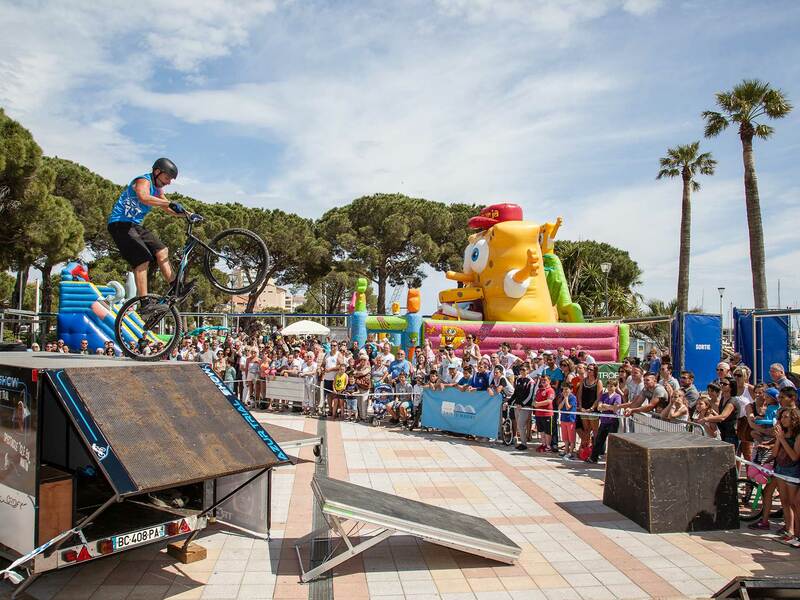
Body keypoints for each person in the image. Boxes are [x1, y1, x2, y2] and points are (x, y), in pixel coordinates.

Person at [107, 159, 187, 308]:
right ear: (157, 172)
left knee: (162, 250)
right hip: (119, 224)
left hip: (134, 225)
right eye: (167, 178)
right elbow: (143, 197)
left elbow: (169, 209)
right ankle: (144, 302)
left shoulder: (157, 190)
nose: (168, 182)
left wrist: (189, 214)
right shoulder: (143, 180)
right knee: (142, 259)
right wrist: (167, 203)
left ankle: (176, 287)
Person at [772, 407, 800, 547]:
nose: (783, 419)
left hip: (793, 472)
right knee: (785, 502)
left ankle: (797, 533)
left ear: (794, 419)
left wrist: (782, 439)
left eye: (786, 417)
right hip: (780, 470)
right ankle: (789, 531)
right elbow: (775, 453)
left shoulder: (797, 435)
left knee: (795, 503)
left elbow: (795, 456)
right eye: (782, 417)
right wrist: (779, 439)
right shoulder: (781, 434)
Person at [587, 379, 622, 464]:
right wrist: (608, 407)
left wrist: (605, 406)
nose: (609, 388)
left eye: (612, 386)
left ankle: (611, 460)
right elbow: (599, 407)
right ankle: (593, 458)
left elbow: (615, 408)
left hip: (613, 422)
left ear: (615, 387)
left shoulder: (617, 396)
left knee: (612, 442)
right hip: (604, 421)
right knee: (599, 440)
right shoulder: (604, 395)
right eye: (608, 386)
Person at [510, 364, 535, 450]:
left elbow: (530, 395)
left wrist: (522, 404)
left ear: (528, 371)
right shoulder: (518, 379)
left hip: (525, 406)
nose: (522, 371)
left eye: (524, 370)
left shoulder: (530, 381)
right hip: (517, 406)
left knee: (521, 424)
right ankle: (522, 442)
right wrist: (510, 401)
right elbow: (515, 393)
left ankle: (524, 443)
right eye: (521, 370)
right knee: (519, 425)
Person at [533, 374, 555, 453]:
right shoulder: (539, 390)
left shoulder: (551, 390)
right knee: (541, 430)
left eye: (545, 380)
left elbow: (549, 401)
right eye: (542, 380)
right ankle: (543, 444)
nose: (543, 382)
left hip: (547, 414)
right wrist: (534, 403)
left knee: (547, 431)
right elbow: (535, 399)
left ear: (549, 381)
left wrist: (538, 404)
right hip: (538, 414)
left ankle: (548, 446)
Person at [558, 384, 579, 460]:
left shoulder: (573, 397)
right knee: (565, 437)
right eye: (563, 389)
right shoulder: (563, 397)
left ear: (571, 390)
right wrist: (564, 399)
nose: (565, 391)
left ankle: (571, 452)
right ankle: (566, 450)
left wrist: (566, 399)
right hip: (563, 419)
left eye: (566, 389)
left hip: (570, 420)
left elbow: (568, 407)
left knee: (571, 437)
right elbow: (559, 407)